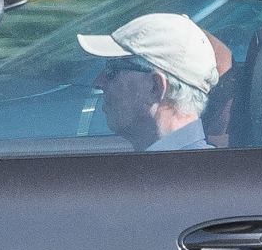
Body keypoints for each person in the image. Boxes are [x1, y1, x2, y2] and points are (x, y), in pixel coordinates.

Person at [79, 12, 220, 150]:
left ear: (155, 87)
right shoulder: (205, 168)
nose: (98, 82)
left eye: (112, 69)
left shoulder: (173, 171)